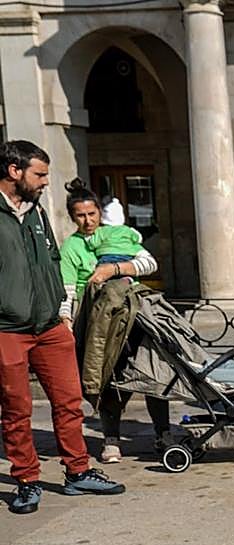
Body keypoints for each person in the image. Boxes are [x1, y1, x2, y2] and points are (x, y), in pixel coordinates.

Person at [0, 140, 125, 514]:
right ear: (14, 171)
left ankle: (78, 471)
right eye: (38, 174)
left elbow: (53, 260)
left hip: (50, 325)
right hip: (8, 328)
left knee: (70, 402)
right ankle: (26, 479)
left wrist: (61, 311)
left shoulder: (36, 211)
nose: (44, 183)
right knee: (16, 409)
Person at [59, 181, 169, 463]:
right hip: (98, 319)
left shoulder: (117, 235)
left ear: (99, 212)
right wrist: (67, 322)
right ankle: (111, 439)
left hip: (132, 313)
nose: (88, 221)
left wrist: (115, 268)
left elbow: (149, 263)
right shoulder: (71, 246)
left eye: (92, 214)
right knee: (108, 374)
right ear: (73, 217)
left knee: (153, 369)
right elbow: (67, 290)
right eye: (81, 216)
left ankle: (163, 432)